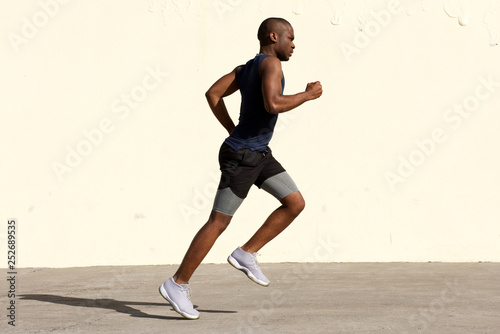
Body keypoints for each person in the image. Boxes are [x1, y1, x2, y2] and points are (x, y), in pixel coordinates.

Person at [159, 17, 323, 319]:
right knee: (218, 222)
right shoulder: (271, 64)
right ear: (274, 37)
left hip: (257, 153)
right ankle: (177, 283)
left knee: (294, 202)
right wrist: (307, 95)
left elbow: (213, 93)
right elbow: (273, 103)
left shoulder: (245, 68)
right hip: (243, 156)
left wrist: (232, 128)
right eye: (291, 38)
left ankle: (246, 252)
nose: (294, 44)